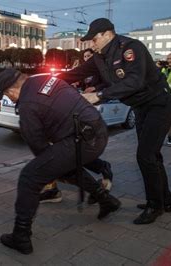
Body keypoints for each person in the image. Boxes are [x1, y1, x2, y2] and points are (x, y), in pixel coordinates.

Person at [59, 18, 171, 224]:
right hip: (140, 107)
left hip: (158, 103)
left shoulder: (130, 48)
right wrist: (45, 80)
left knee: (145, 156)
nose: (91, 45)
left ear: (107, 34)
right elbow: (75, 74)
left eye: (94, 40)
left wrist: (100, 95)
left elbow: (134, 81)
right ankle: (164, 199)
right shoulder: (99, 57)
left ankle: (154, 206)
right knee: (152, 156)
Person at [0, 69, 121, 255]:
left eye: (7, 96)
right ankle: (106, 199)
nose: (11, 100)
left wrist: (51, 168)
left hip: (82, 141)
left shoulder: (27, 104)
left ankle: (20, 235)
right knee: (61, 165)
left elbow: (39, 148)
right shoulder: (48, 80)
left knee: (30, 177)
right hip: (97, 130)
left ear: (10, 91)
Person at [39, 47, 114, 205]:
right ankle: (99, 170)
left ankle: (98, 176)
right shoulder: (84, 71)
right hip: (76, 109)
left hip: (91, 111)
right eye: (85, 56)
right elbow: (72, 80)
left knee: (70, 150)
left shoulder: (103, 70)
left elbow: (111, 85)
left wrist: (96, 90)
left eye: (89, 56)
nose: (86, 59)